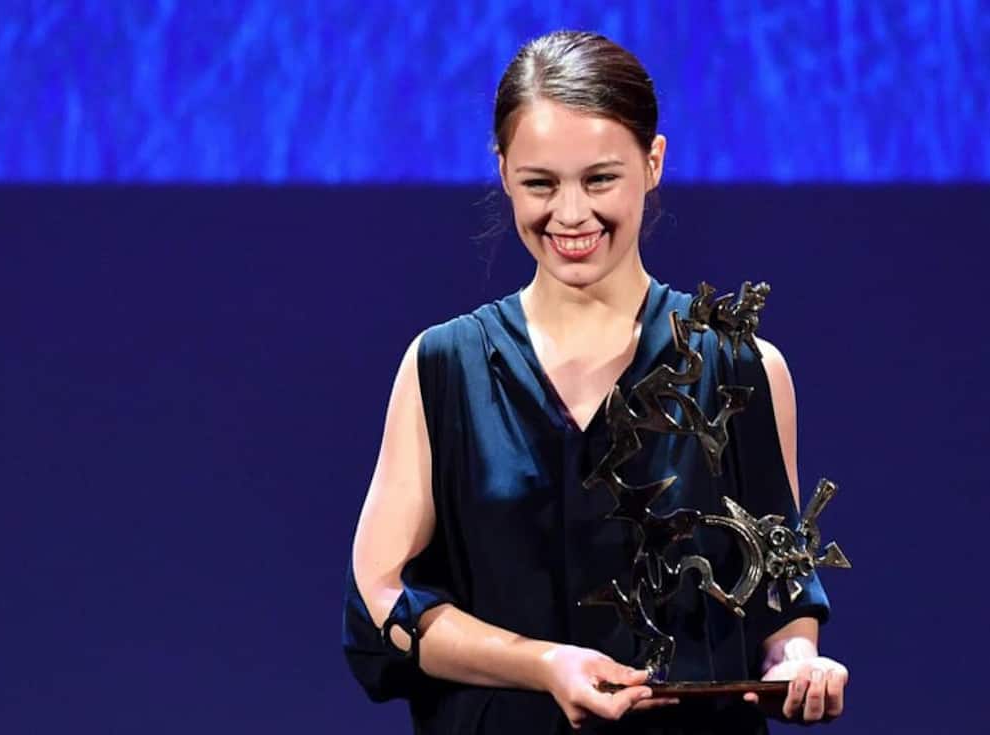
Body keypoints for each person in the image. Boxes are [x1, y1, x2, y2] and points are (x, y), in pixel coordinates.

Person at [342, 30, 848, 734]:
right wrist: (541, 662)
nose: (571, 214)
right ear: (502, 172)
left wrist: (797, 663)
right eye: (540, 182)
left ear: (653, 162)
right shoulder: (444, 367)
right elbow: (378, 602)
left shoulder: (741, 369)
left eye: (599, 178)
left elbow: (777, 592)